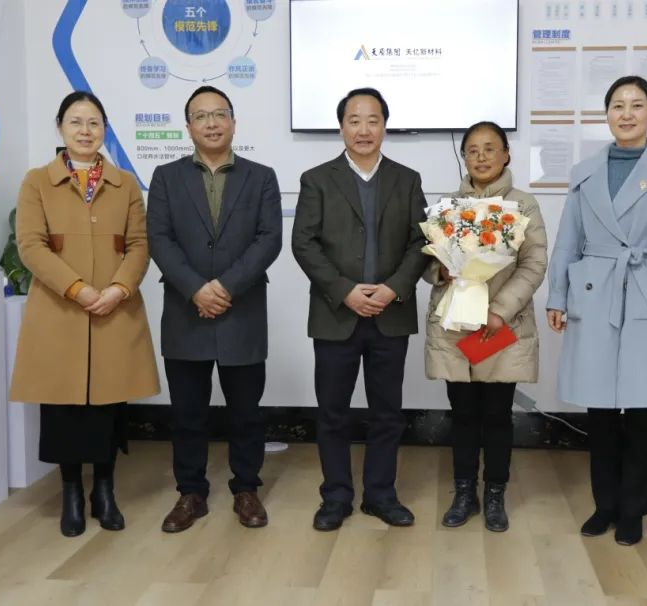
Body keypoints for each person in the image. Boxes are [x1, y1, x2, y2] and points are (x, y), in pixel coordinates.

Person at [547, 76, 647, 546]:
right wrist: (557, 294)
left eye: (637, 105)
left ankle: (634, 508)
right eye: (617, 105)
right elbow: (568, 238)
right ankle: (604, 504)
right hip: (595, 292)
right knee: (601, 410)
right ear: (607, 113)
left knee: (644, 407)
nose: (626, 113)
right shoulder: (584, 171)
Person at [10, 91, 160, 537]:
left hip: (114, 310)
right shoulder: (37, 182)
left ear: (105, 130)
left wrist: (118, 288)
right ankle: (71, 492)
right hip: (60, 312)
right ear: (60, 127)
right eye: (75, 122)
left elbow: (139, 245)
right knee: (63, 409)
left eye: (94, 123)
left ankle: (105, 491)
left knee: (109, 407)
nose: (85, 131)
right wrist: (77, 289)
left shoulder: (125, 184)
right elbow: (31, 246)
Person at [147, 85, 283, 532]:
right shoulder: (166, 177)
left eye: (219, 114)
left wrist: (224, 287)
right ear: (188, 127)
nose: (211, 123)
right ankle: (191, 492)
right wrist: (195, 290)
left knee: (247, 411)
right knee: (187, 413)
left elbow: (269, 239)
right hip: (185, 312)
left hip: (242, 310)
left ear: (233, 123)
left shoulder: (261, 177)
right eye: (201, 116)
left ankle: (246, 489)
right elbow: (159, 240)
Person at [292, 87, 428, 532]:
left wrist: (394, 288)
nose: (364, 129)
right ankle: (335, 497)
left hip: (391, 315)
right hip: (336, 315)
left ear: (385, 126)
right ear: (341, 128)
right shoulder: (317, 179)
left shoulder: (407, 179)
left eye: (373, 120)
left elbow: (420, 242)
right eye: (354, 120)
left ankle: (381, 495)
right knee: (332, 413)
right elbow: (304, 244)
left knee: (387, 413)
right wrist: (345, 290)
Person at [425, 121, 548, 532]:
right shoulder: (447, 207)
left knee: (496, 415)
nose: (481, 157)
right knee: (461, 414)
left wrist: (500, 310)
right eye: (473, 150)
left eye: (489, 148)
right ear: (464, 157)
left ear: (506, 154)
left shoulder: (523, 205)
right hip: (456, 326)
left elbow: (534, 263)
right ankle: (464, 492)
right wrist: (440, 270)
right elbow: (428, 263)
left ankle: (495, 492)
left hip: (501, 327)